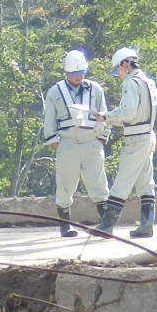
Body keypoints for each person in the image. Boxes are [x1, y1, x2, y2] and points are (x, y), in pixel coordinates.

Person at [40, 49, 110, 237]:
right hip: (68, 143)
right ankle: (65, 226)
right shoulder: (55, 91)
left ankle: (106, 224)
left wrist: (102, 137)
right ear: (66, 73)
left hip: (91, 142)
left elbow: (104, 113)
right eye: (73, 74)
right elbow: (49, 119)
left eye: (81, 73)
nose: (78, 77)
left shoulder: (95, 89)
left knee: (98, 182)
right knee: (65, 183)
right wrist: (54, 141)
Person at [100, 46, 157, 239]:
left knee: (122, 181)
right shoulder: (148, 82)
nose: (117, 74)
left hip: (136, 137)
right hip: (148, 135)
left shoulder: (131, 83)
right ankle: (146, 224)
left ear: (125, 64)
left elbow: (128, 113)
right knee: (145, 182)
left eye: (116, 69)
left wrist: (106, 117)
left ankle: (106, 225)